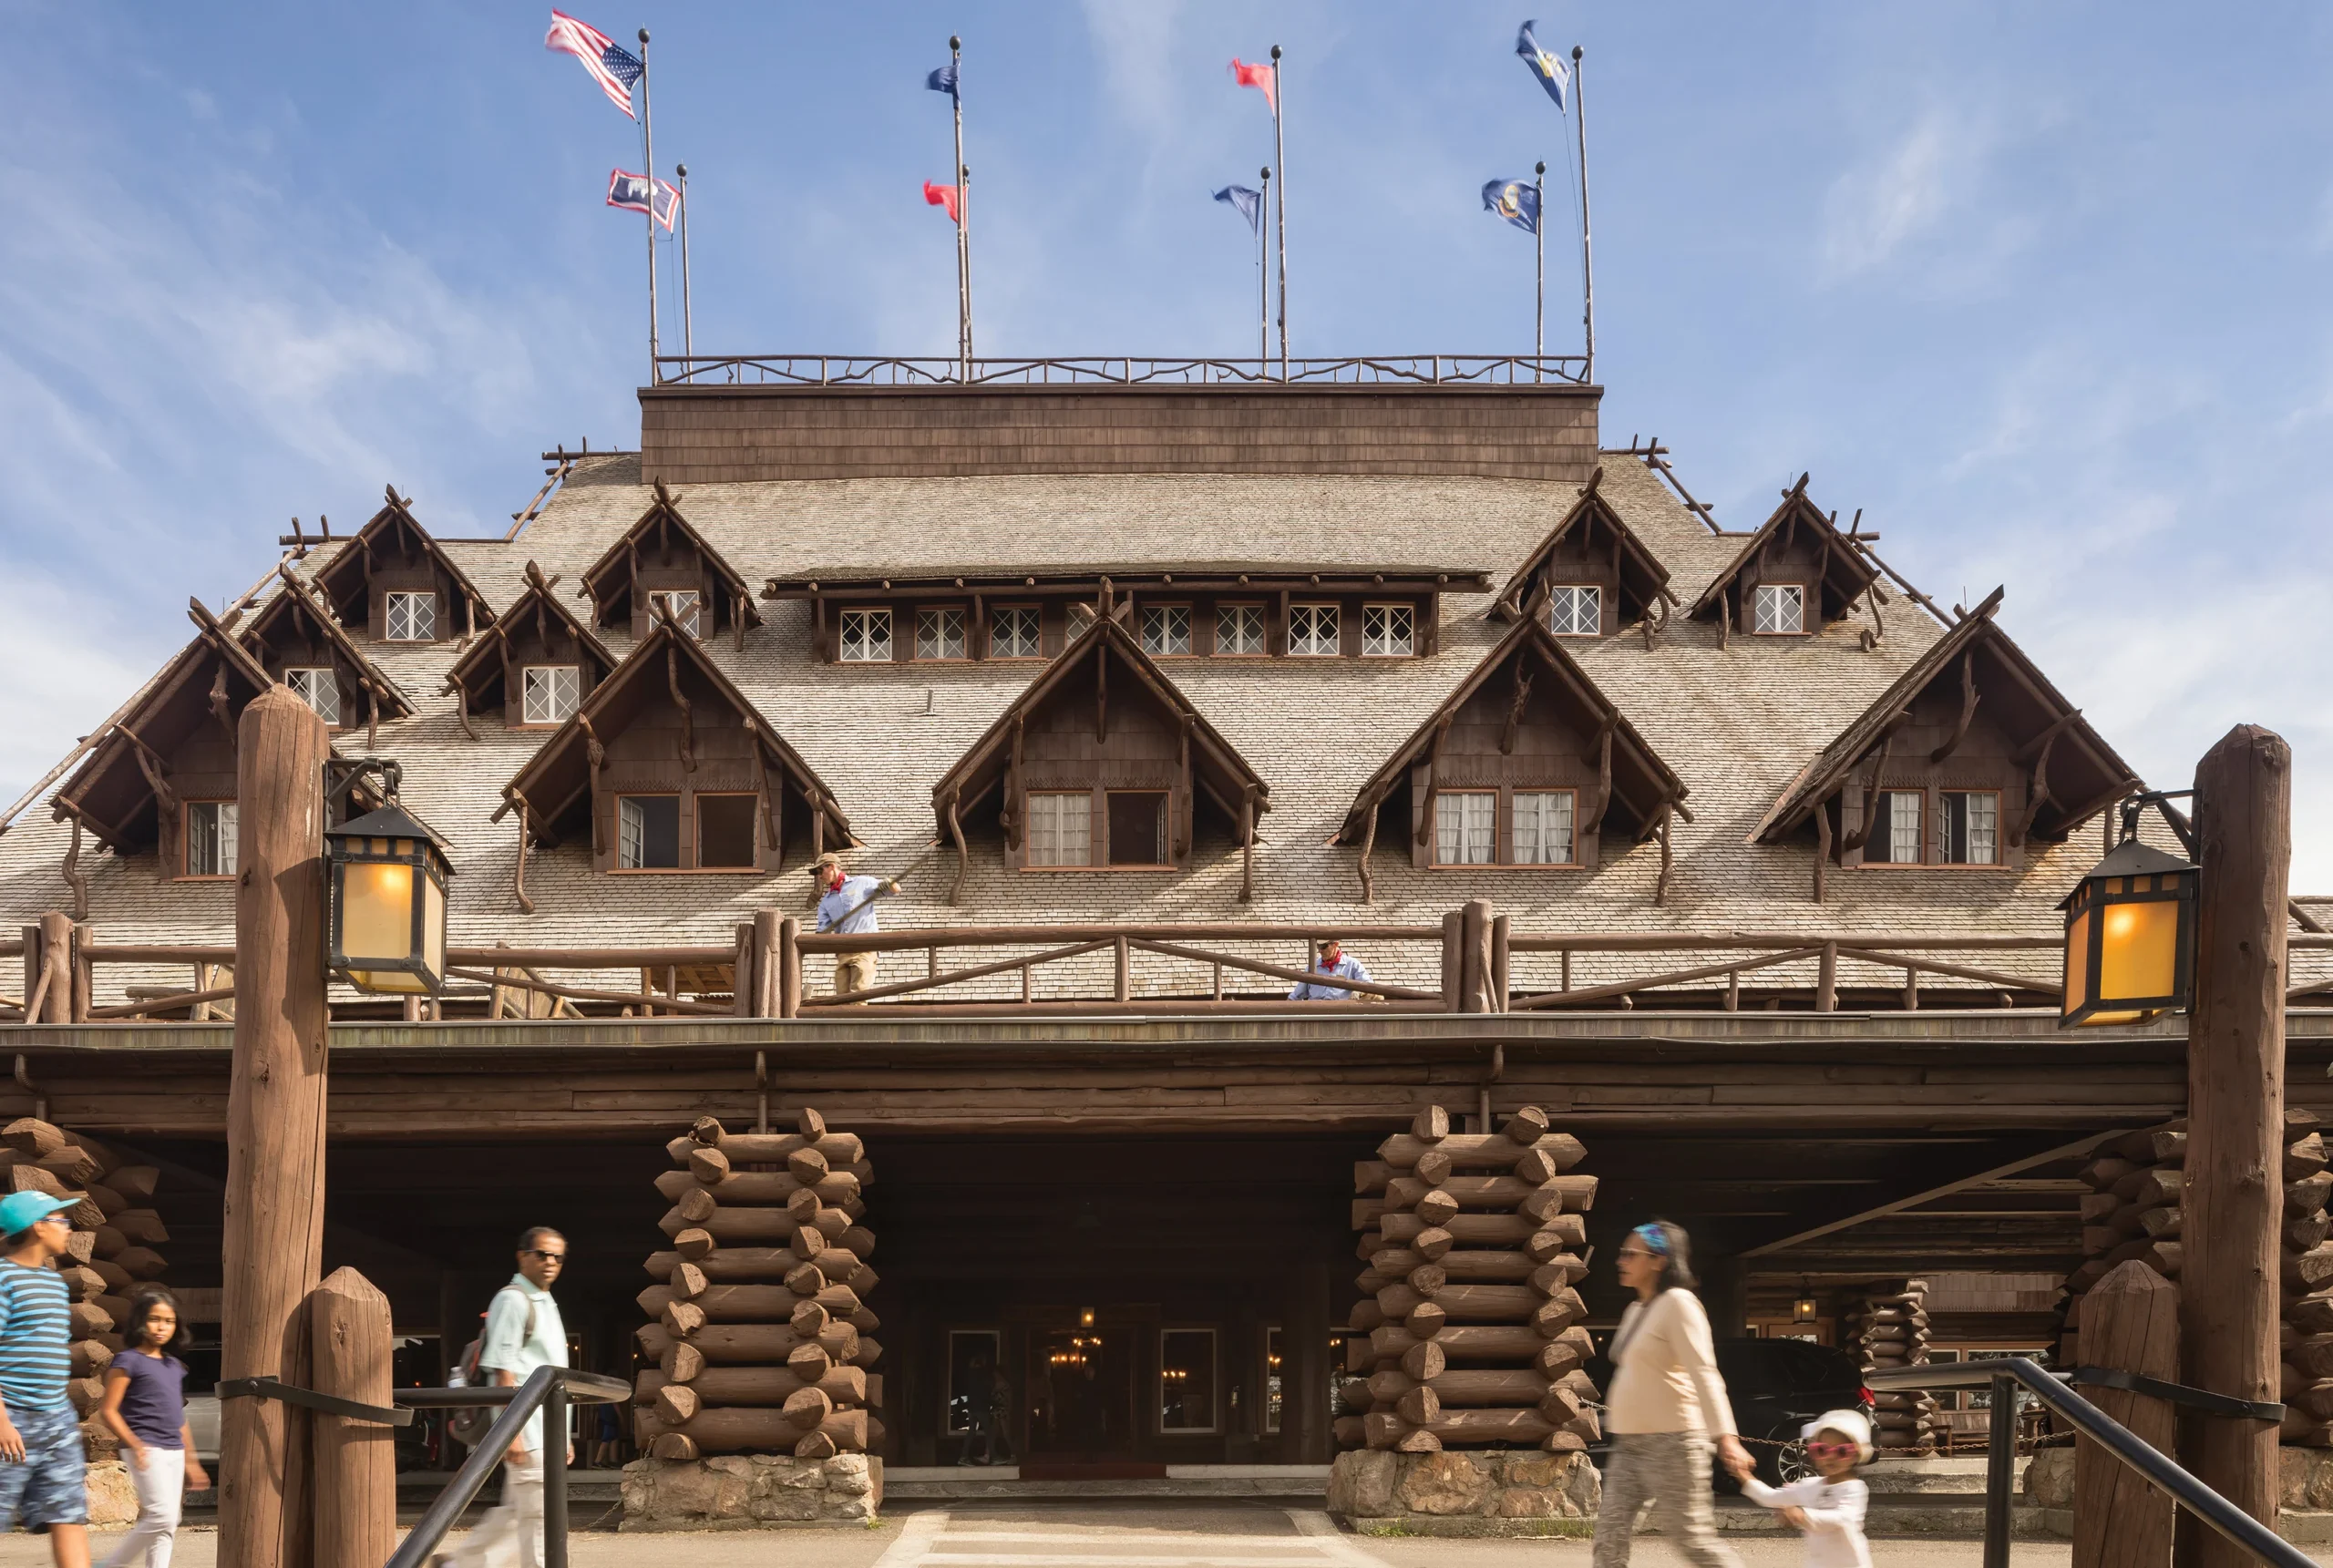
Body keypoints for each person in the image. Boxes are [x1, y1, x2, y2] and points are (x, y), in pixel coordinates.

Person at [1592, 1220, 1751, 1568]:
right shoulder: (1635, 1310)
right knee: (1609, 1538)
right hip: (1630, 1445)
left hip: (1674, 1442)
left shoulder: (1680, 1304)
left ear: (1658, 1261)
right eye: (1622, 1253)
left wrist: (1727, 1437)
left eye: (1630, 1254)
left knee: (1692, 1540)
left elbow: (1704, 1371)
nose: (1621, 1260)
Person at [447, 1227, 570, 1568]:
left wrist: (562, 1437)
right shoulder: (513, 1300)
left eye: (558, 1256)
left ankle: (457, 1565)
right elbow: (503, 1372)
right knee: (540, 1520)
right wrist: (510, 1431)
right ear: (522, 1255)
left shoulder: (543, 1302)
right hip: (527, 1430)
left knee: (518, 1514)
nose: (550, 1262)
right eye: (542, 1254)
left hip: (545, 1430)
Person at [0, 1191, 88, 1566]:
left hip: (58, 1418)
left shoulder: (54, 1283)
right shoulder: (4, 1278)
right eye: (61, 1220)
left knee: (68, 1513)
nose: (68, 1228)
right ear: (37, 1226)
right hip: (11, 1419)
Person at [95, 1289, 204, 1568]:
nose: (161, 1326)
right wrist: (134, 1443)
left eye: (168, 1321)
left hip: (174, 1451)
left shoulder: (174, 1367)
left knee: (169, 1523)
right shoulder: (128, 1361)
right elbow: (108, 1410)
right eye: (155, 1319)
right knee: (161, 1516)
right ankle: (112, 1565)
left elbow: (178, 1418)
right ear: (140, 1321)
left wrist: (191, 1460)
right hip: (144, 1447)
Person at [1740, 1409, 1872, 1568]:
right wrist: (1743, 1475)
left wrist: (1803, 1515)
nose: (1830, 1457)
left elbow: (1843, 1518)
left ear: (1857, 1455)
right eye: (1822, 1450)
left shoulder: (1855, 1489)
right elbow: (1770, 1497)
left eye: (1842, 1451)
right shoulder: (1809, 1486)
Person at [812, 854, 899, 998]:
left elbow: (895, 889)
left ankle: (859, 1020)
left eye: (821, 871)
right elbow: (822, 933)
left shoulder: (862, 883)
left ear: (832, 867)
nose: (820, 876)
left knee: (858, 995)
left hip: (865, 949)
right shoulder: (825, 903)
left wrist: (889, 883)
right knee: (841, 998)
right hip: (843, 953)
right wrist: (819, 937)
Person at [1288, 938, 1372, 1000]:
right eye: (1318, 946)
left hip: (1341, 1015)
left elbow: (1369, 985)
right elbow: (1296, 996)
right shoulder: (1312, 967)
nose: (1320, 950)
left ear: (1335, 944)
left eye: (1324, 946)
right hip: (1315, 1016)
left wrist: (1358, 991)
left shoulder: (1352, 964)